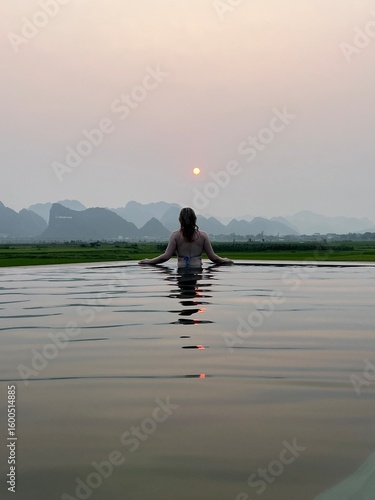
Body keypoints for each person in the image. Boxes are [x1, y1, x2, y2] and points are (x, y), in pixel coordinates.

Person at [139, 207, 233, 268]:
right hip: (197, 271)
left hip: (181, 271)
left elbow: (166, 257)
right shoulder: (203, 236)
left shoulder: (175, 235)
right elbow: (213, 258)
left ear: (180, 220)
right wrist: (224, 260)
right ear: (194, 219)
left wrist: (149, 261)